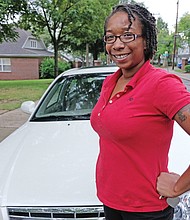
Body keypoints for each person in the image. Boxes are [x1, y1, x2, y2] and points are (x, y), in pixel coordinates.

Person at [90, 3, 190, 220]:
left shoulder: (161, 84)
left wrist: (178, 186)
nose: (117, 45)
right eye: (110, 37)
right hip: (112, 202)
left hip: (146, 210)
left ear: (146, 41)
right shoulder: (110, 82)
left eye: (127, 35)